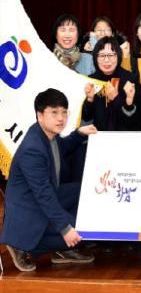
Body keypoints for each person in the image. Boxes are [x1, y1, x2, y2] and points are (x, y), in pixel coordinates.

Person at [1, 88, 97, 271]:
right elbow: (44, 195)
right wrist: (65, 229)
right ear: (40, 115)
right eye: (54, 112)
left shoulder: (46, 134)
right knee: (85, 232)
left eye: (64, 112)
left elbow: (62, 148)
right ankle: (22, 244)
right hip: (31, 211)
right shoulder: (32, 149)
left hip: (43, 199)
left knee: (84, 191)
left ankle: (62, 249)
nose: (61, 118)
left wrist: (79, 133)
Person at [82, 36, 136, 131]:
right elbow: (86, 117)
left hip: (124, 136)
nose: (106, 60)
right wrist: (89, 100)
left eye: (111, 55)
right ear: (95, 58)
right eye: (102, 55)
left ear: (118, 56)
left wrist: (116, 98)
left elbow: (131, 121)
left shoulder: (129, 79)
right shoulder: (91, 80)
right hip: (98, 135)